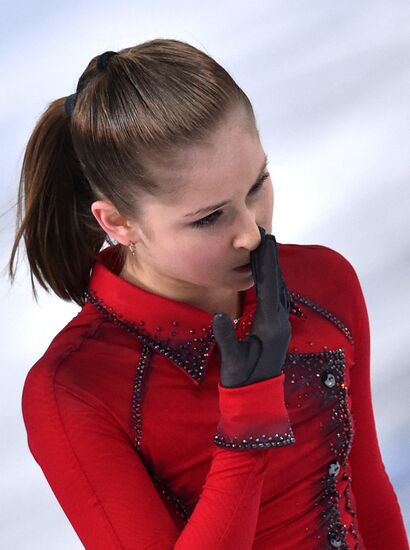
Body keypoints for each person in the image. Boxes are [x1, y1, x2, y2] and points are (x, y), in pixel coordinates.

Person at [9, 39, 408, 550]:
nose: (252, 233)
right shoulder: (74, 391)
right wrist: (247, 418)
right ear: (118, 222)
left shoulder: (323, 282)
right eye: (209, 217)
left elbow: (369, 492)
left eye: (257, 184)